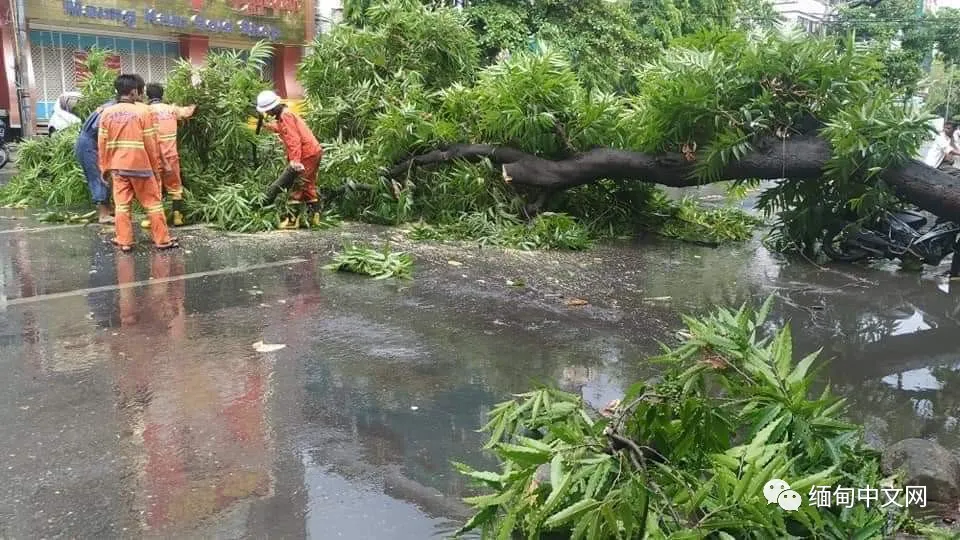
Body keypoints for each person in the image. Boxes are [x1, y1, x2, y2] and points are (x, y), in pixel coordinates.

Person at [98, 73, 178, 252]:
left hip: (118, 168)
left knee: (122, 206)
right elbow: (150, 142)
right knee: (153, 204)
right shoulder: (143, 111)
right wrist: (156, 167)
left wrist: (104, 168)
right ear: (133, 91)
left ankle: (124, 241)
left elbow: (102, 143)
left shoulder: (107, 113)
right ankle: (162, 240)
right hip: (141, 166)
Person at [255, 90, 324, 229]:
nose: (267, 114)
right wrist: (265, 126)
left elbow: (294, 140)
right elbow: (282, 129)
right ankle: (314, 218)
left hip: (307, 154)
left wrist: (295, 161)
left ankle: (293, 221)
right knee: (308, 185)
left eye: (267, 111)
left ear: (273, 107)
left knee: (296, 184)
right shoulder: (284, 116)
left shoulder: (285, 116)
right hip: (312, 151)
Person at [145, 83, 196, 227]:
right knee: (175, 187)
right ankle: (177, 217)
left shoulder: (145, 111)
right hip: (171, 156)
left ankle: (152, 219)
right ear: (162, 94)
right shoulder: (172, 110)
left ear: (147, 95)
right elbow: (188, 112)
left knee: (154, 188)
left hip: (153, 156)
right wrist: (194, 101)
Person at [75, 97, 117, 224]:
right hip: (90, 145)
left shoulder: (110, 105)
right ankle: (103, 214)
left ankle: (108, 209)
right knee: (99, 176)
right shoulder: (112, 109)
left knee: (106, 176)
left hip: (91, 142)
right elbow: (100, 128)